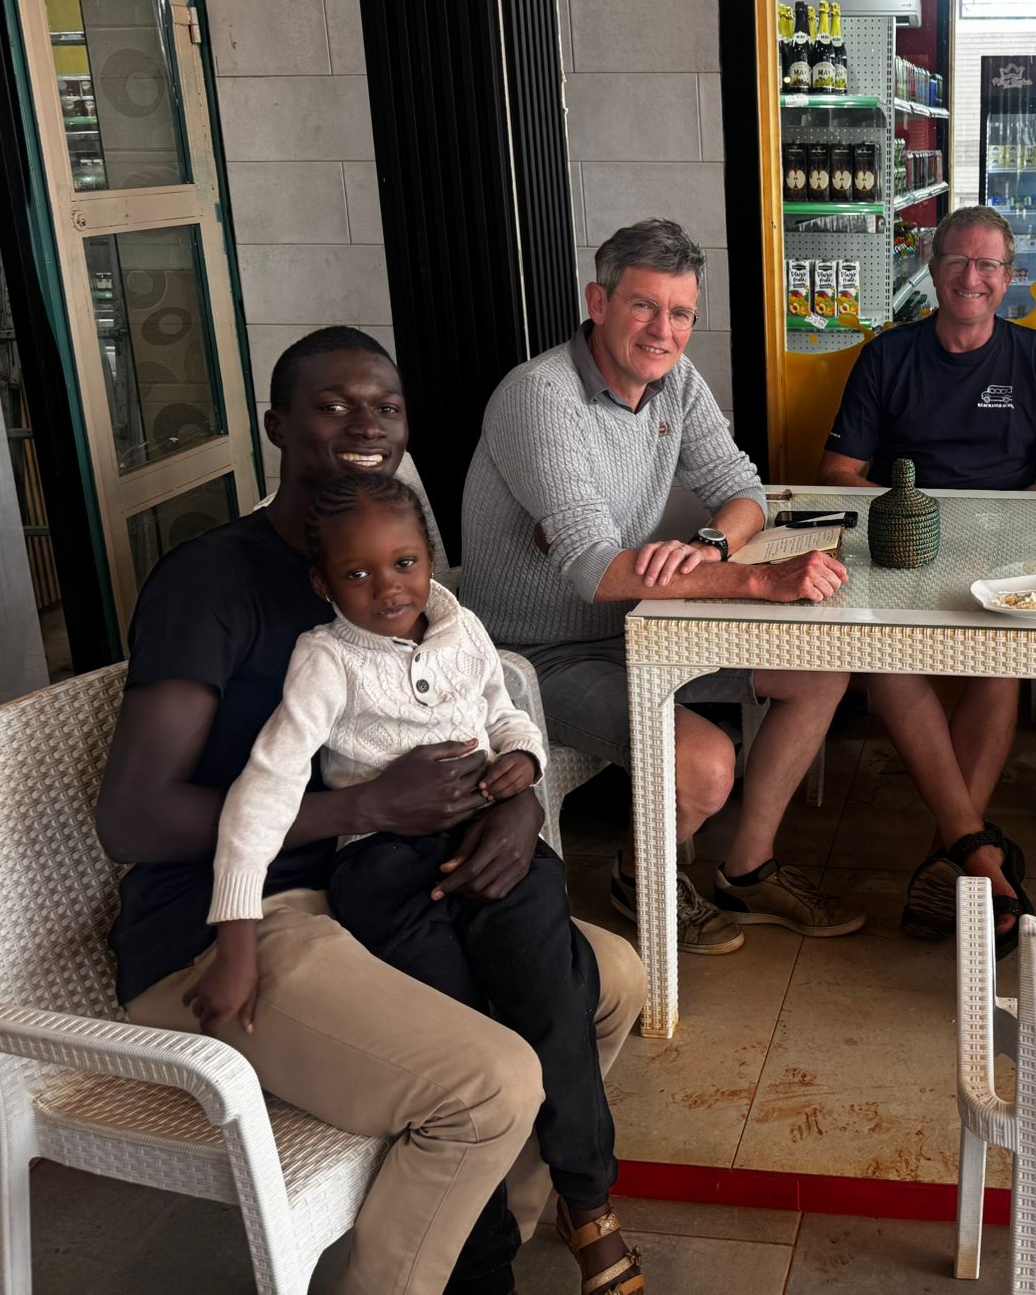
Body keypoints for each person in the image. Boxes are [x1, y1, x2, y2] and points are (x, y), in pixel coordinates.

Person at [98, 326, 647, 1295]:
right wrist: (364, 808)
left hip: (384, 887)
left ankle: (492, 1232)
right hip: (229, 922)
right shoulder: (211, 582)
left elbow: (481, 710)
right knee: (489, 1082)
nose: (365, 426)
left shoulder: (404, 576)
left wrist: (514, 803)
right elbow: (133, 820)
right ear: (276, 425)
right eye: (333, 406)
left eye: (384, 408)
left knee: (614, 979)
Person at [191, 472, 638, 1295]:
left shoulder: (462, 626)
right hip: (386, 868)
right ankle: (481, 1264)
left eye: (403, 563)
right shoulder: (326, 660)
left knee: (550, 997)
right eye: (357, 574)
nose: (388, 588)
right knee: (469, 1048)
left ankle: (587, 1196)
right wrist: (235, 932)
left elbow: (504, 710)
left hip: (494, 842)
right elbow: (265, 789)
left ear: (430, 558)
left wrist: (523, 758)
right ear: (324, 585)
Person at [459, 219, 861, 956]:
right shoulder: (539, 396)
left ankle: (748, 870)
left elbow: (743, 488)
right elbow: (595, 569)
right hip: (537, 656)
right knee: (706, 768)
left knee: (820, 669)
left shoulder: (673, 379)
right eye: (644, 306)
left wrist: (712, 545)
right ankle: (638, 874)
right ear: (598, 302)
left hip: (644, 624)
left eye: (681, 313)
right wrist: (757, 579)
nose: (663, 331)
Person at [818, 204, 1036, 946]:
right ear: (934, 271)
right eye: (958, 262)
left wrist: (987, 537)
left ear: (1008, 277)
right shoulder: (887, 357)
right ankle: (976, 854)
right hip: (905, 545)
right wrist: (925, 525)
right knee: (887, 657)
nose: (973, 277)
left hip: (1003, 553)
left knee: (999, 661)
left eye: (988, 264)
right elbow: (838, 474)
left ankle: (953, 854)